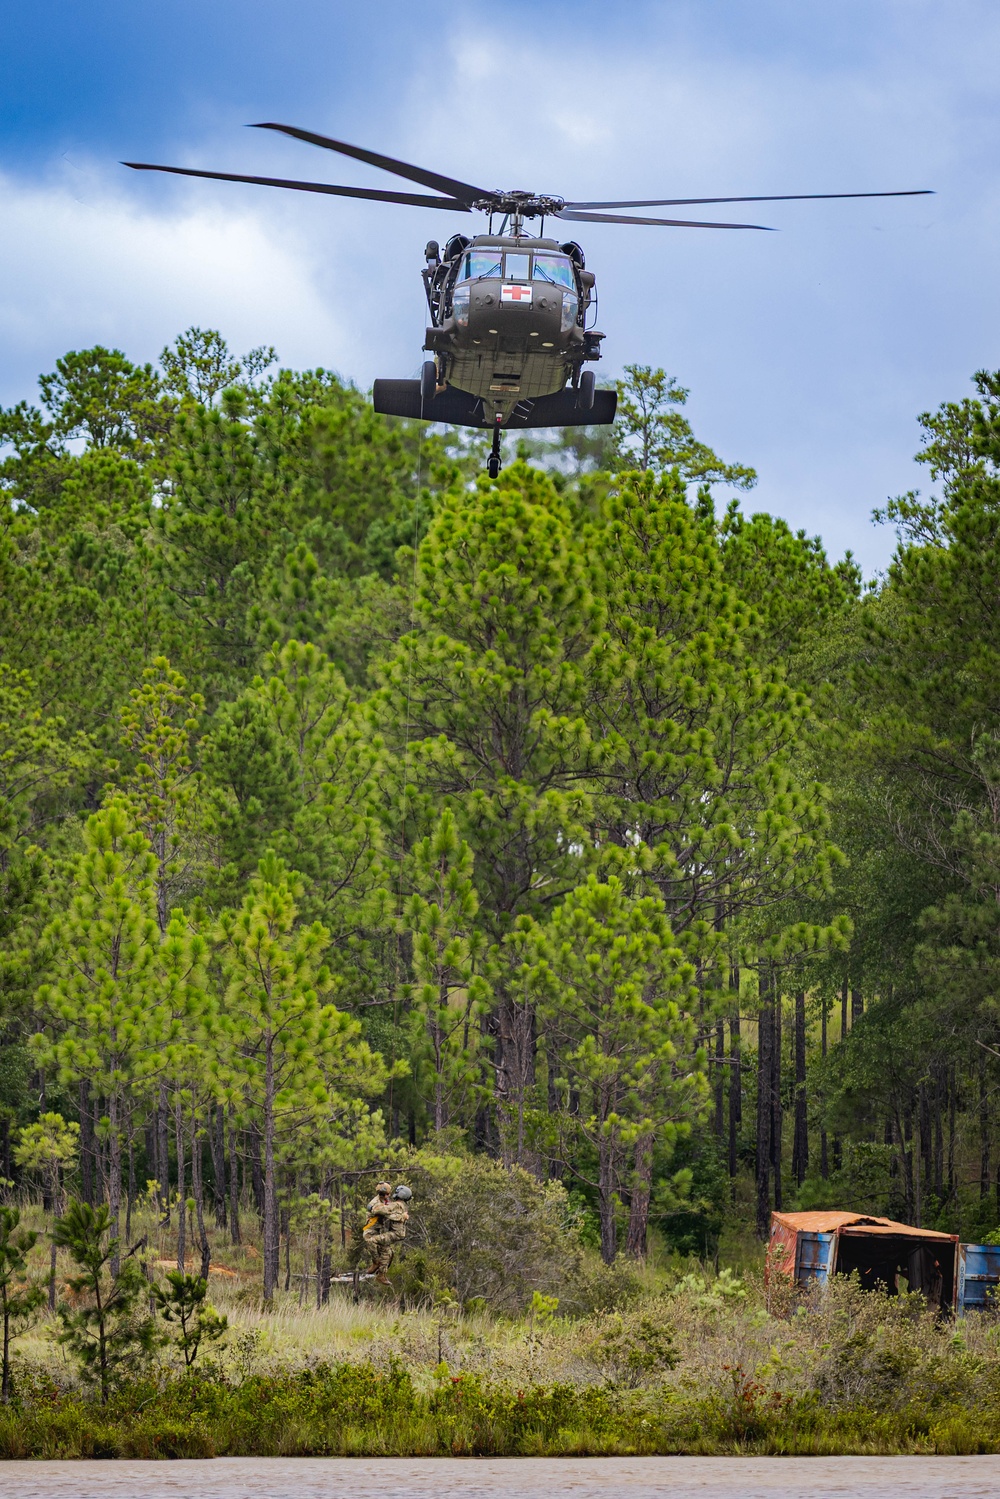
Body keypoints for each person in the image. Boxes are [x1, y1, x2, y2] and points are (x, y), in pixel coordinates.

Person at [363, 1182, 410, 1284]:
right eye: (386, 1194)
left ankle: (379, 1270)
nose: (388, 1196)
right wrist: (402, 1216)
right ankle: (380, 1272)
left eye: (389, 1194)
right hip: (371, 1231)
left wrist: (400, 1216)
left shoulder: (395, 1204)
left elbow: (389, 1212)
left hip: (389, 1232)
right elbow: (377, 1210)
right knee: (386, 1252)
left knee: (385, 1251)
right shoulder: (376, 1202)